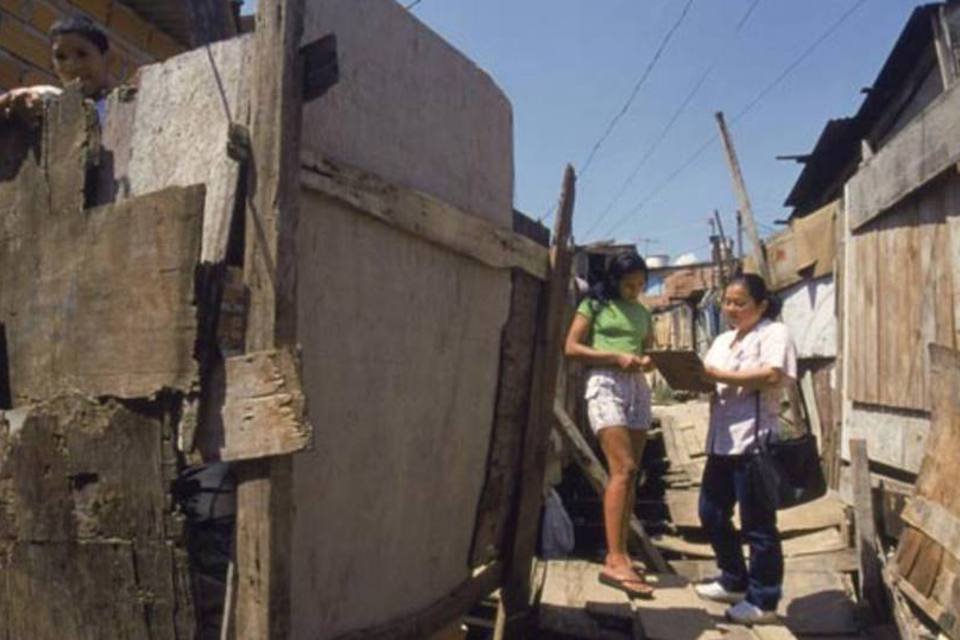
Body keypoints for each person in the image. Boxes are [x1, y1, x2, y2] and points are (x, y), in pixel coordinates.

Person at [694, 273, 798, 624]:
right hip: (721, 441)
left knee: (758, 524)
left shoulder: (774, 333)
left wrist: (718, 377)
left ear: (762, 305)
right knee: (711, 512)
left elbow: (772, 375)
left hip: (754, 442)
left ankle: (764, 600)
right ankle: (733, 579)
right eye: (727, 302)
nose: (731, 309)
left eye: (740, 303)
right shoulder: (723, 339)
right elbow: (707, 376)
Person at [564, 251, 655, 598]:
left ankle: (622, 551)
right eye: (629, 284)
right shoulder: (594, 306)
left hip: (636, 388)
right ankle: (615, 559)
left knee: (632, 473)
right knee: (623, 468)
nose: (635, 291)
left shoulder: (643, 312)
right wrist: (614, 357)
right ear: (614, 280)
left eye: (640, 285)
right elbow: (571, 347)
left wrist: (646, 362)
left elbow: (648, 350)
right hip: (605, 382)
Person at [0, 14, 111, 126]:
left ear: (106, 58)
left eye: (82, 54)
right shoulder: (46, 111)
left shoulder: (119, 112)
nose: (72, 66)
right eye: (60, 57)